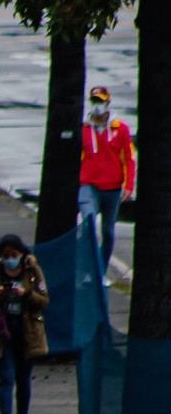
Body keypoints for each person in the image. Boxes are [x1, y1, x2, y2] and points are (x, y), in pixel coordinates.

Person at [0, 235, 48, 414]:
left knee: (23, 378)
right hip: (2, 333)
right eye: (5, 255)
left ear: (21, 254)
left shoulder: (32, 272)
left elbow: (43, 300)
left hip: (27, 332)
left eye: (14, 255)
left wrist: (25, 294)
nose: (10, 258)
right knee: (6, 378)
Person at [78, 86, 136, 276]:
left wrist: (128, 186)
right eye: (94, 101)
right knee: (88, 225)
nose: (97, 106)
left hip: (112, 188)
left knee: (109, 232)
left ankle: (101, 271)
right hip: (89, 186)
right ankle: (89, 268)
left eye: (100, 101)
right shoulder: (83, 129)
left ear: (108, 103)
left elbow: (128, 158)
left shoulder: (120, 129)